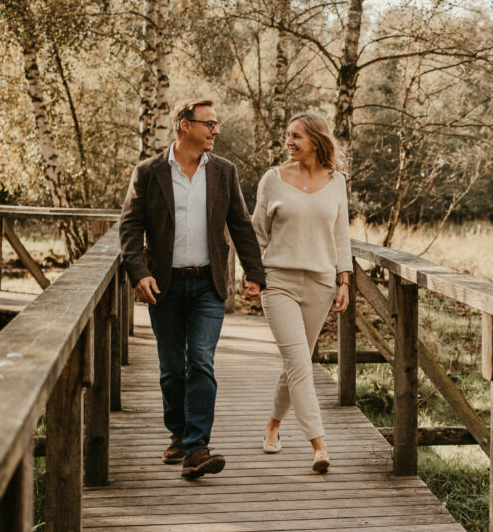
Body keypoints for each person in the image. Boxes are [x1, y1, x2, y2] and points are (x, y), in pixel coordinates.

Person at [119, 99, 265, 480]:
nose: (216, 129)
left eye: (216, 123)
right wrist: (138, 272)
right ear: (184, 125)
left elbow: (241, 224)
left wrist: (255, 273)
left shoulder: (223, 171)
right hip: (163, 286)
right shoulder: (148, 172)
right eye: (209, 123)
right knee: (171, 368)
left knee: (200, 360)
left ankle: (198, 447)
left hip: (207, 284)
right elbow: (130, 228)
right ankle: (179, 434)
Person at [251, 112, 352, 473]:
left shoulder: (337, 181)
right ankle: (319, 446)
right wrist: (251, 275)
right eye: (287, 136)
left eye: (296, 136)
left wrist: (344, 280)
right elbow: (257, 233)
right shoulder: (273, 180)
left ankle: (273, 425)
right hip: (278, 281)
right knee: (299, 364)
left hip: (322, 284)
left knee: (296, 362)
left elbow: (341, 234)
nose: (288, 142)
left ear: (316, 140)